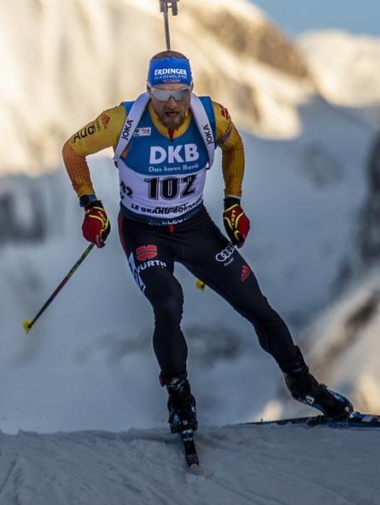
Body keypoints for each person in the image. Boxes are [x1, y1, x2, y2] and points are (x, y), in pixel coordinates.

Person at [61, 49, 352, 434]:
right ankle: (179, 398)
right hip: (144, 230)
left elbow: (234, 146)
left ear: (191, 90)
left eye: (179, 93)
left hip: (194, 227)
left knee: (257, 305)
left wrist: (233, 203)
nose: (171, 103)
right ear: (148, 91)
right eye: (161, 93)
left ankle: (303, 382)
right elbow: (73, 149)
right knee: (168, 303)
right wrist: (91, 206)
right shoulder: (122, 120)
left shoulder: (209, 116)